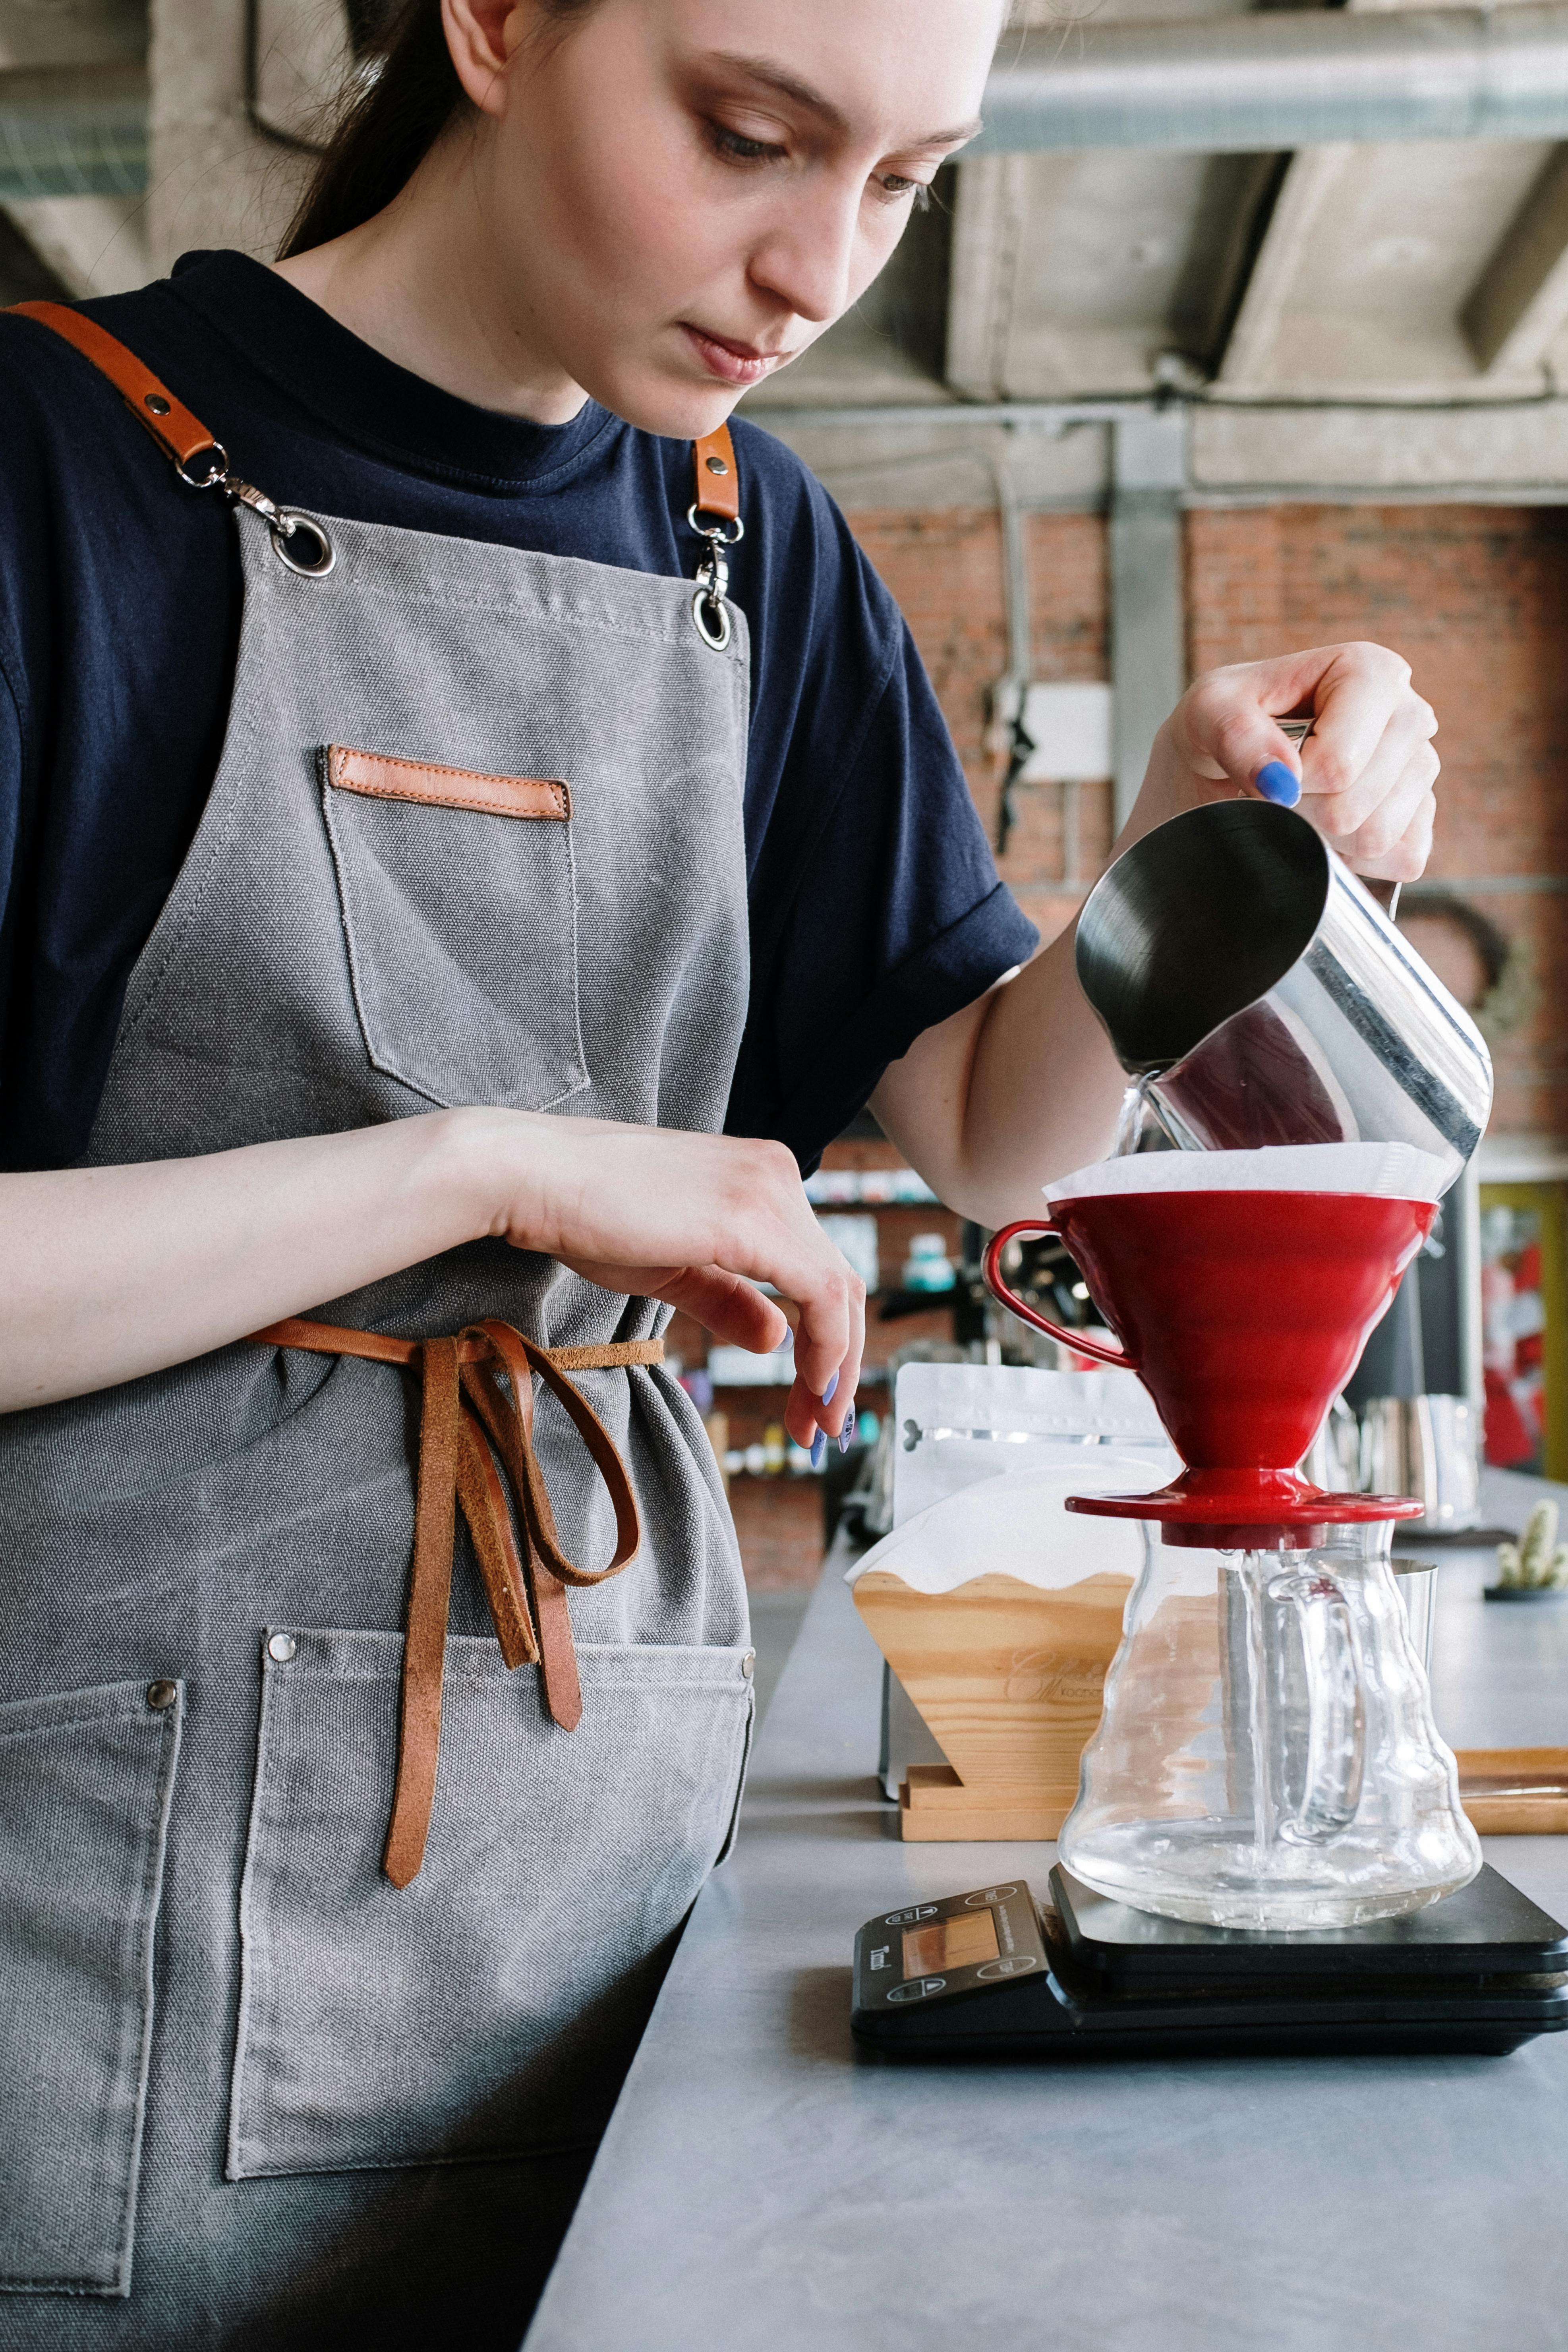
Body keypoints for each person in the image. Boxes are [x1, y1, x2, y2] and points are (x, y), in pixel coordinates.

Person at [0, 0, 1440, 2342]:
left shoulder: (753, 545)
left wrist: (1187, 865)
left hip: (593, 1884)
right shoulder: (47, 468)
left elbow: (988, 1135)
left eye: (904, 183)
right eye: (752, 135)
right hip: (113, 1950)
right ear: (487, 22)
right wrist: (490, 1175)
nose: (815, 268)